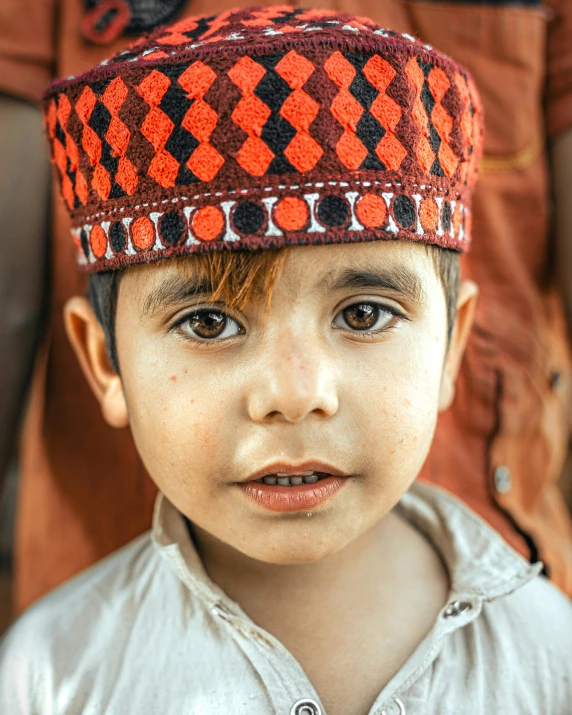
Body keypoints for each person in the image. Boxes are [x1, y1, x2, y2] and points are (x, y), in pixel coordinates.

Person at [1, 10, 571, 713]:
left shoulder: (548, 655)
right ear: (104, 363)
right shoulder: (51, 672)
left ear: (452, 345)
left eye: (363, 314)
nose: (294, 394)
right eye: (209, 322)